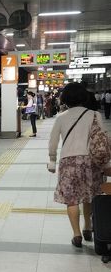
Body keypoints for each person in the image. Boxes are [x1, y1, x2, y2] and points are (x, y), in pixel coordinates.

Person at [47, 81, 105, 248]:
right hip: (90, 161)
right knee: (89, 196)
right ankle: (88, 227)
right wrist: (106, 163)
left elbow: (53, 142)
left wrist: (52, 159)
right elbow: (101, 141)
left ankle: (77, 234)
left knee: (72, 199)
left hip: (68, 161)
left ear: (65, 99)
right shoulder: (95, 115)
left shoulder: (61, 118)